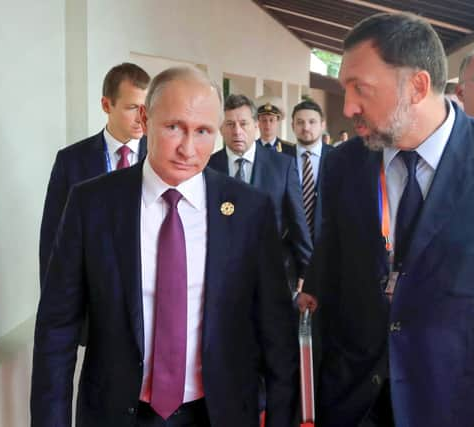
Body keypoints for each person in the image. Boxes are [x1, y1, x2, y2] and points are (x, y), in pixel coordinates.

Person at [300, 12, 474, 427]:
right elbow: (333, 270)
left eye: (361, 89)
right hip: (354, 401)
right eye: (345, 89)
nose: (348, 106)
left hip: (460, 405)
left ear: (417, 86)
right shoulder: (344, 165)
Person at [31, 67, 299, 427]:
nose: (188, 149)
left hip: (218, 412)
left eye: (202, 131)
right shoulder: (92, 204)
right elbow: (57, 328)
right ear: (145, 118)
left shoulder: (250, 210)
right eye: (174, 127)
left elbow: (276, 332)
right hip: (117, 413)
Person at [39, 63, 150, 285]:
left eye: (145, 108)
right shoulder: (71, 161)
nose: (141, 117)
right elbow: (53, 238)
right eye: (131, 108)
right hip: (92, 290)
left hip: (147, 288)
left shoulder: (161, 158)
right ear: (106, 105)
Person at [208, 94, 312, 294]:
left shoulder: (282, 166)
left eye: (243, 123)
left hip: (272, 268)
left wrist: (306, 269)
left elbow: (297, 219)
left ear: (255, 125)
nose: (237, 131)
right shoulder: (209, 167)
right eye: (230, 124)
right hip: (222, 271)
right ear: (221, 128)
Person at [282, 100, 334, 245]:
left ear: (322, 125)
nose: (306, 128)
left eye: (312, 122)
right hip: (289, 246)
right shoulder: (280, 159)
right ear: (292, 126)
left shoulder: (337, 158)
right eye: (300, 122)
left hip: (328, 244)